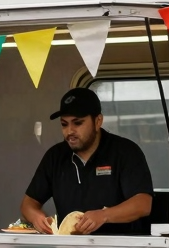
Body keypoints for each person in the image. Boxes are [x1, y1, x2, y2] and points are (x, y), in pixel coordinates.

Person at [20, 87, 154, 235]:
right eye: (64, 124)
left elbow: (143, 204)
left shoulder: (125, 151)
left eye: (77, 123)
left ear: (98, 121)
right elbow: (28, 203)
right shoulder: (55, 156)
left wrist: (104, 216)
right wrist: (36, 217)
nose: (70, 131)